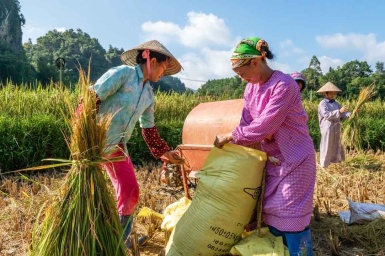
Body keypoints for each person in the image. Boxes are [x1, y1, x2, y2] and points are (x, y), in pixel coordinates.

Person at [213, 37, 316, 255]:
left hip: (295, 158)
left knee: (291, 213)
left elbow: (265, 125)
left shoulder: (284, 85)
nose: (242, 79)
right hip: (274, 160)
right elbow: (247, 121)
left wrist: (231, 136)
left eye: (242, 73)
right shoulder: (251, 89)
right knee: (272, 212)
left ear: (255, 62)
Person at [84, 40, 184, 248]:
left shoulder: (148, 94)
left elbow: (148, 128)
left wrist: (165, 153)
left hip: (117, 146)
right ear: (152, 61)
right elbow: (91, 99)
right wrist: (83, 136)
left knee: (129, 190)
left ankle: (121, 240)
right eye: (164, 67)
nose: (163, 73)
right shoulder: (123, 74)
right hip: (94, 142)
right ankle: (86, 235)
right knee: (89, 193)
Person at [317, 81, 350, 168]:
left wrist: (350, 114)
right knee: (327, 144)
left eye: (333, 93)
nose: (332, 94)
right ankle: (324, 164)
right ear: (325, 93)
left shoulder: (336, 103)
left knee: (337, 143)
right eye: (331, 93)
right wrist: (339, 111)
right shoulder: (322, 103)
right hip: (327, 127)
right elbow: (327, 115)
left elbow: (343, 114)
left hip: (337, 126)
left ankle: (337, 161)